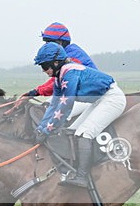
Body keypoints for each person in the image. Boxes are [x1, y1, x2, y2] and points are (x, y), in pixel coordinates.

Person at [32, 42, 127, 188]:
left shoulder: (70, 74)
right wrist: (42, 127)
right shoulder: (60, 77)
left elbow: (65, 106)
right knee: (73, 132)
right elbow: (54, 106)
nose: (44, 70)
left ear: (56, 63)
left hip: (112, 98)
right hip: (98, 99)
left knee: (84, 133)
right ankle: (75, 170)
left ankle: (82, 176)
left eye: (44, 66)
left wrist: (47, 130)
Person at [23, 22, 98, 99]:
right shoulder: (63, 54)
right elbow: (55, 80)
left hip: (93, 94)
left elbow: (62, 82)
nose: (47, 45)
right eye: (46, 42)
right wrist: (36, 90)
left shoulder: (72, 57)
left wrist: (38, 92)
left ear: (60, 42)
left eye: (49, 42)